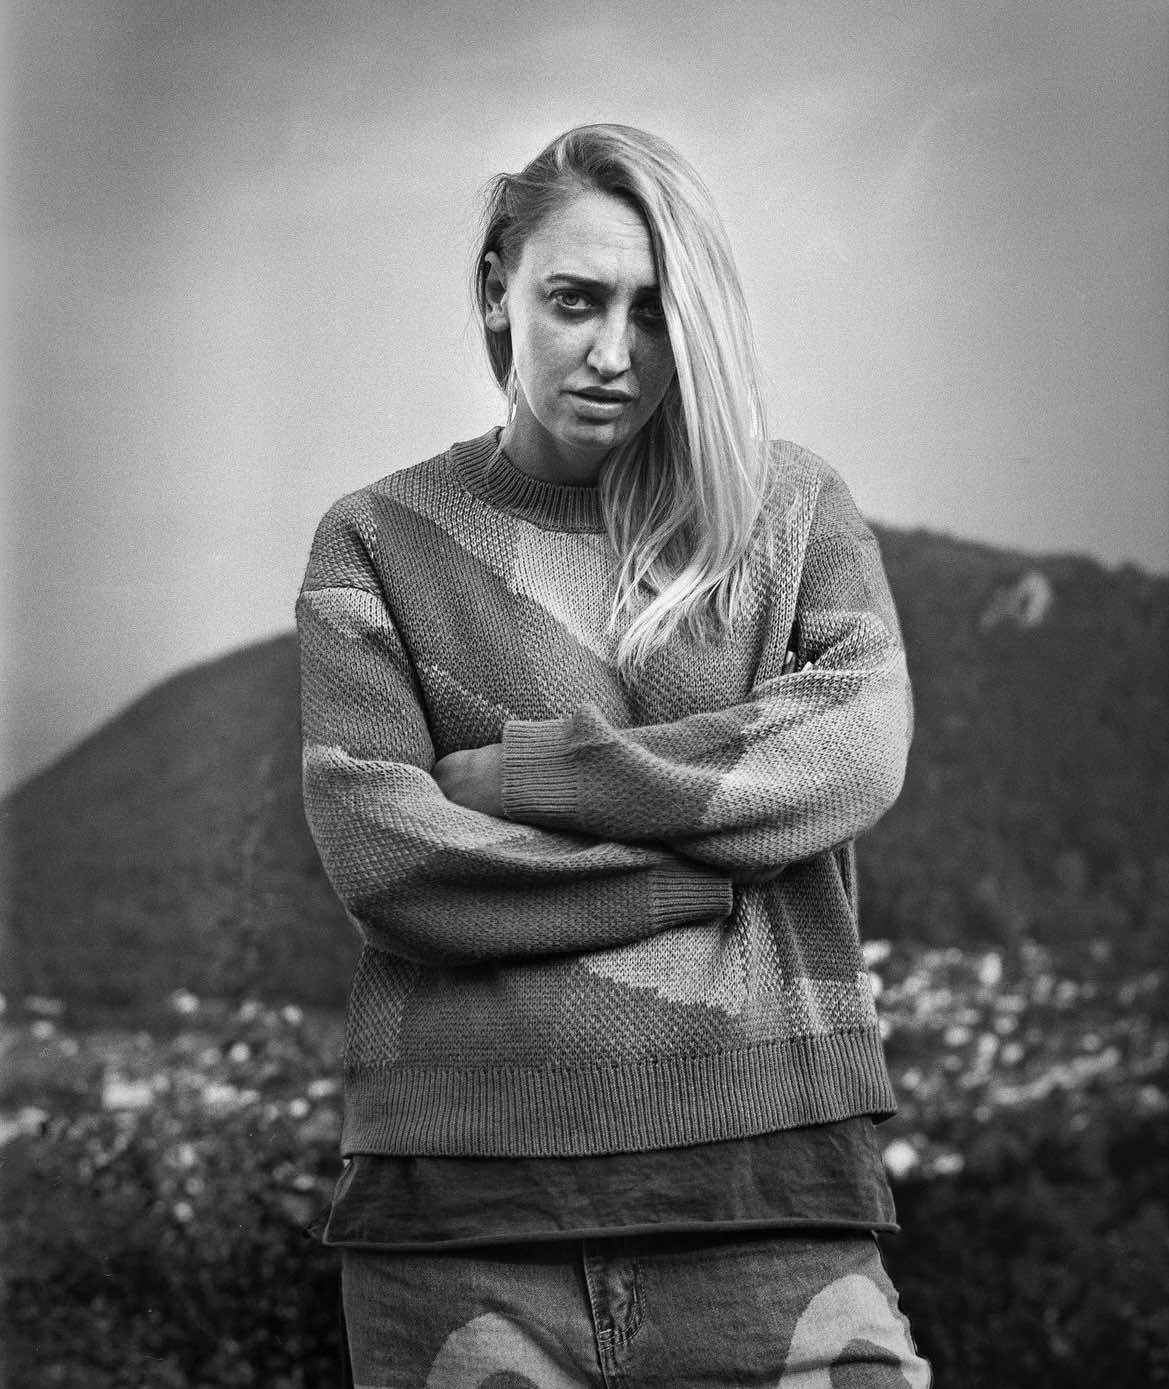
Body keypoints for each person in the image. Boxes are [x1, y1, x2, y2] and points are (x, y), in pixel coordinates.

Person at [297, 123, 930, 1387]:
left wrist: (540, 778)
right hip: (459, 1225)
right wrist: (703, 873)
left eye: (653, 312)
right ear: (497, 289)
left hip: (769, 1194)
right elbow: (390, 862)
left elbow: (854, 750)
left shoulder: (789, 510)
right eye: (575, 300)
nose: (613, 352)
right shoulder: (374, 539)